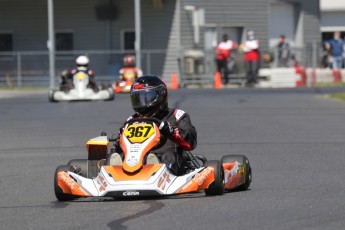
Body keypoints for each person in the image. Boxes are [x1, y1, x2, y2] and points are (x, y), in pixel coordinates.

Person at [108, 75, 197, 176]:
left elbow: (190, 142)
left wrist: (170, 130)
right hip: (137, 159)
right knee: (116, 156)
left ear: (160, 96)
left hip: (167, 159)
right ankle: (114, 171)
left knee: (169, 157)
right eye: (138, 98)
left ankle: (156, 168)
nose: (142, 103)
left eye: (147, 98)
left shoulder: (177, 115)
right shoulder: (132, 120)